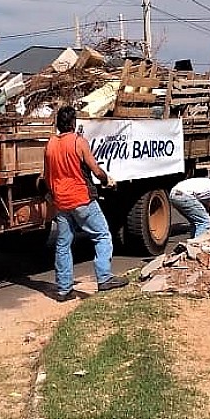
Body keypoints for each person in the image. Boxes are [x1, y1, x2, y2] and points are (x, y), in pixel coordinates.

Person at [43, 105, 128, 301]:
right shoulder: (78, 142)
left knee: (63, 244)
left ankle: (64, 290)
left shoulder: (50, 145)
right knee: (102, 235)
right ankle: (104, 278)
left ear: (57, 124)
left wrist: (53, 194)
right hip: (81, 199)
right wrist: (107, 180)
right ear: (73, 123)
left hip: (61, 202)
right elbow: (95, 170)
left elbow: (46, 177)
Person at [168, 174, 210, 239]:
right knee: (205, 223)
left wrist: (207, 216)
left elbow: (204, 207)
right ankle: (197, 246)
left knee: (196, 222)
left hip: (174, 195)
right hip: (184, 195)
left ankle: (193, 241)